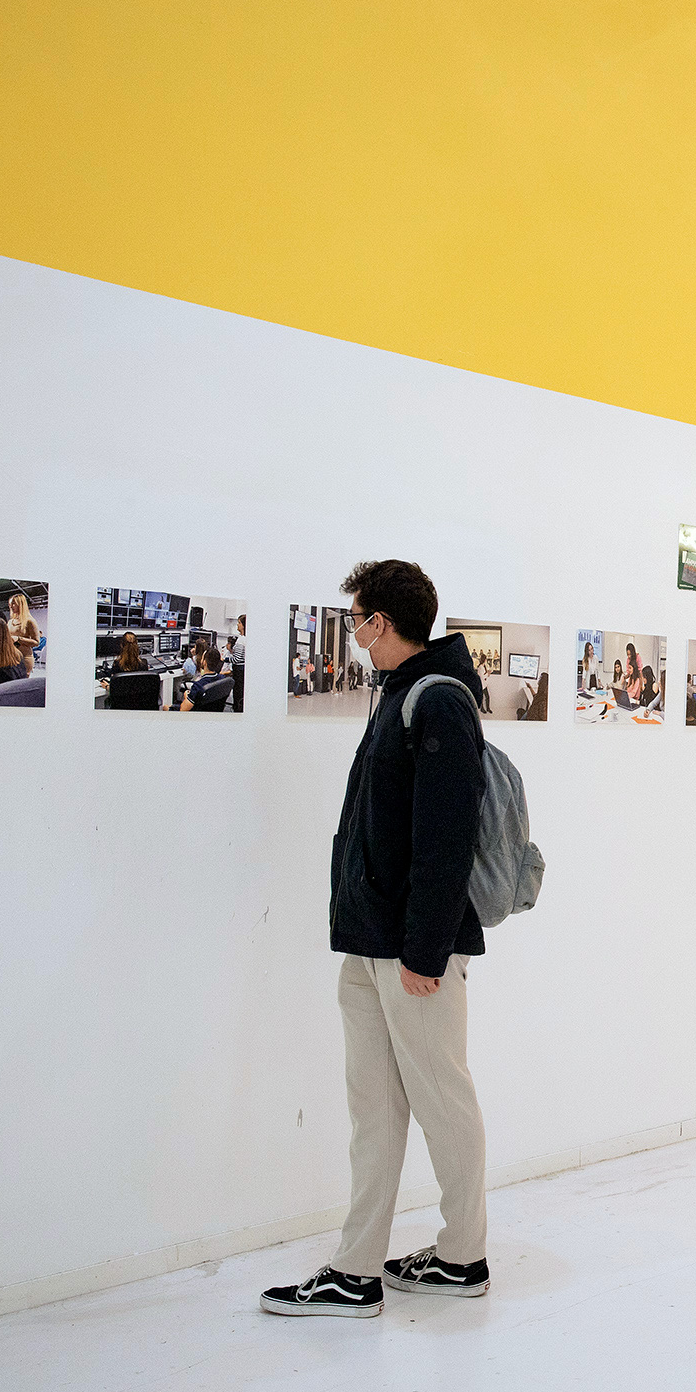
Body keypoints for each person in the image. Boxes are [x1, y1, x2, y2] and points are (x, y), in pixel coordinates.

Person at [262, 559, 492, 1319]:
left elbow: (446, 842)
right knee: (375, 1108)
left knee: (441, 1097)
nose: (355, 632)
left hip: (410, 951)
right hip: (369, 939)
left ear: (380, 623)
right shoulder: (400, 692)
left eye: (358, 618)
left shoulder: (441, 701)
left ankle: (463, 1254)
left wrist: (426, 951)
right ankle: (356, 1268)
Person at [179, 645, 232, 711]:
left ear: (204, 662)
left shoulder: (198, 686)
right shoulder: (223, 679)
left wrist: (186, 696)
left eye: (202, 658)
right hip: (213, 714)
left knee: (165, 707)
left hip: (196, 715)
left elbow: (182, 710)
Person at [229, 615, 247, 713]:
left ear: (244, 625)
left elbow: (237, 659)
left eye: (239, 622)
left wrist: (224, 659)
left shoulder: (242, 640)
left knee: (238, 694)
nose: (237, 624)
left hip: (239, 671)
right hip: (242, 670)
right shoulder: (243, 638)